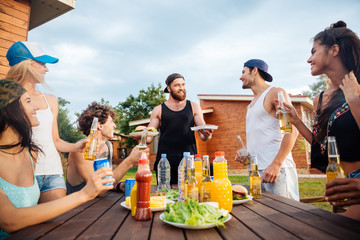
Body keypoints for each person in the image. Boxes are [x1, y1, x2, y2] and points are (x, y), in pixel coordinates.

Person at [0, 79, 114, 239]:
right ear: (10, 111)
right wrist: (84, 194)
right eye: (28, 101)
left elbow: (37, 213)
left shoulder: (31, 154)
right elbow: (9, 221)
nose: (37, 106)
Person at [283, 21, 360, 220]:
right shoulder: (320, 99)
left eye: (314, 51)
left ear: (334, 50)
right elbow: (323, 147)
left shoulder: (357, 89)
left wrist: (354, 100)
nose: (309, 59)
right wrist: (297, 122)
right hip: (342, 184)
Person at [5, 41, 87, 203]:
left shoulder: (50, 100)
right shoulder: (8, 100)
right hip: (23, 175)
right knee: (25, 225)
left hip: (52, 173)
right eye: (41, 64)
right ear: (26, 65)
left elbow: (55, 140)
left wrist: (77, 146)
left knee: (55, 224)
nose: (46, 69)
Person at [235, 59, 299, 201]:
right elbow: (262, 135)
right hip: (256, 171)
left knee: (283, 217)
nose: (240, 77)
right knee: (264, 217)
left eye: (243, 72)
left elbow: (292, 130)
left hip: (275, 169)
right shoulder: (251, 104)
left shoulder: (276, 93)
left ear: (255, 71)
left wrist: (276, 164)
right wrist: (244, 151)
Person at [146, 73, 213, 184]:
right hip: (165, 163)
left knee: (190, 195)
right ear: (169, 88)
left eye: (183, 85)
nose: (181, 88)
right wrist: (141, 136)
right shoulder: (158, 110)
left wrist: (208, 134)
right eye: (177, 85)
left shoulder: (194, 107)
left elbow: (203, 136)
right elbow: (149, 138)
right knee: (166, 197)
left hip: (189, 162)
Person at [66, 102, 144, 195]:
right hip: (79, 207)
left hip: (98, 205)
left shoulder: (108, 146)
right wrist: (130, 161)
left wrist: (117, 186)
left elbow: (106, 181)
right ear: (100, 125)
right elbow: (98, 190)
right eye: (111, 122)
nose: (114, 126)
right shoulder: (81, 150)